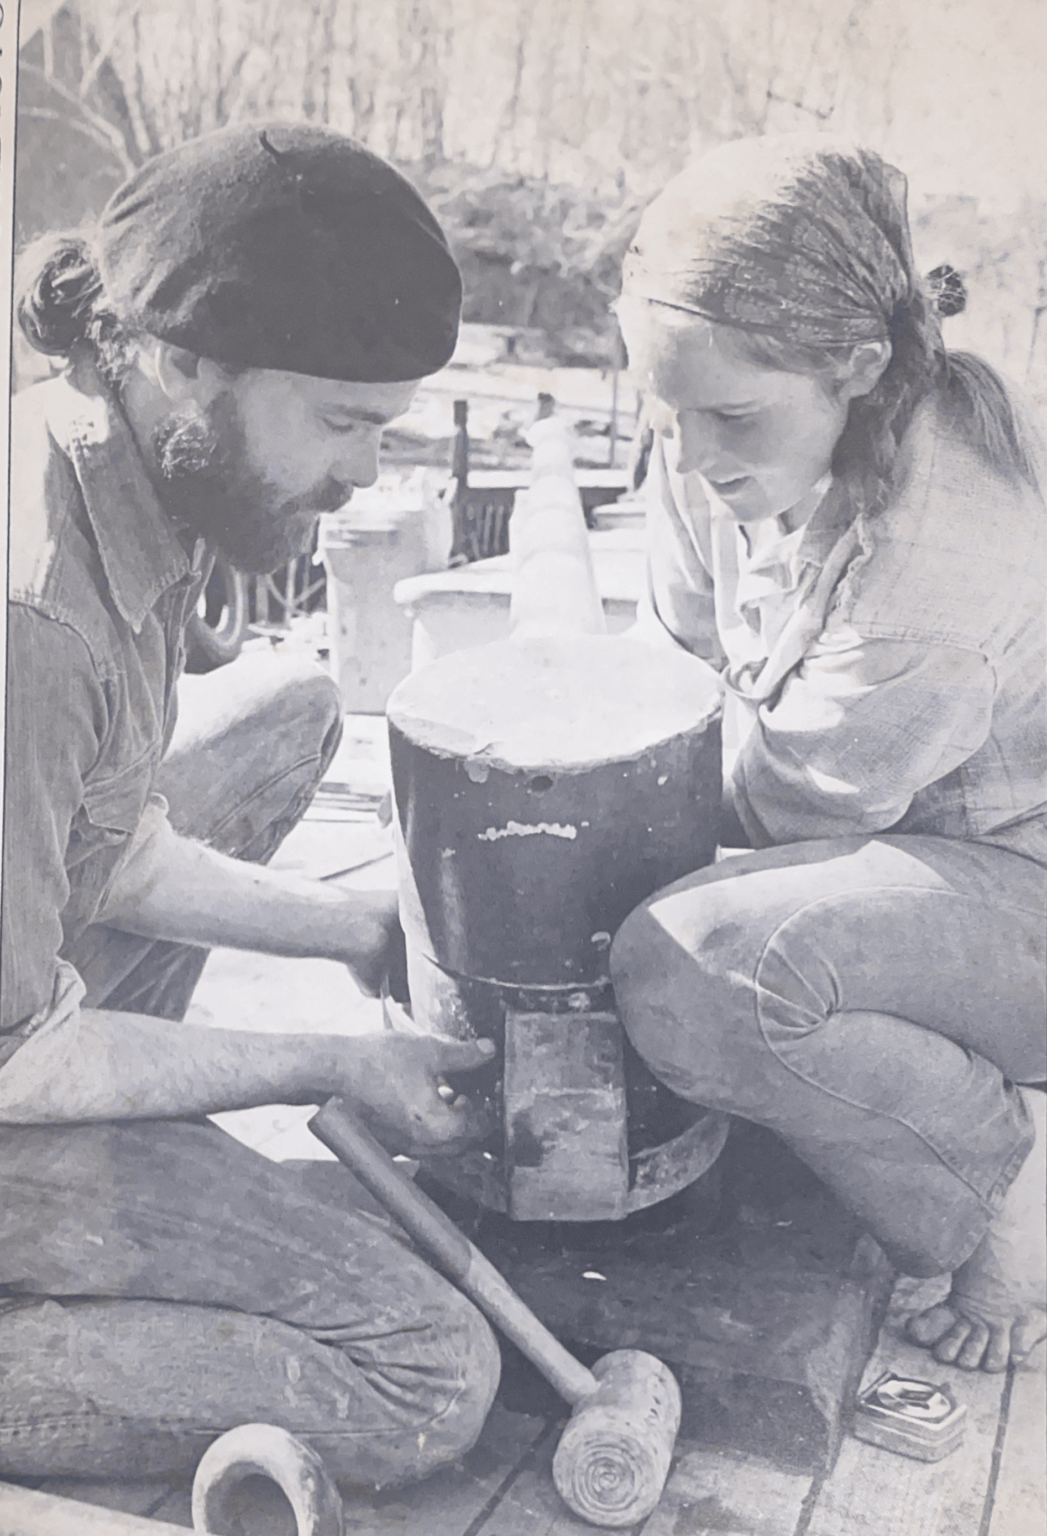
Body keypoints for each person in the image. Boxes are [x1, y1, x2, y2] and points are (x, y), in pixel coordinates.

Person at [0, 123, 501, 1486]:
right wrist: (331, 1064)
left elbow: (110, 851)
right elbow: (17, 1061)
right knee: (426, 1376)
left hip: (22, 990)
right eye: (342, 423)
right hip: (10, 1065)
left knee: (287, 707)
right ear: (180, 361)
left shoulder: (126, 463)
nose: (368, 475)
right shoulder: (30, 621)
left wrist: (357, 930)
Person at [609, 134, 1046, 1374]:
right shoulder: (714, 428)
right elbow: (668, 664)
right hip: (885, 848)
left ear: (856, 367)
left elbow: (774, 811)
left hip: (1021, 894)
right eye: (664, 412)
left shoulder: (944, 566)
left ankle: (1001, 1186)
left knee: (701, 971)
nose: (690, 457)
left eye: (729, 419)